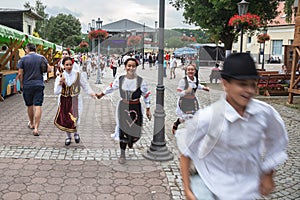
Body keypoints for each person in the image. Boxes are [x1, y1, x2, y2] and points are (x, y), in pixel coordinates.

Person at [176, 53, 288, 200]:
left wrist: (268, 172)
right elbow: (186, 151)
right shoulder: (208, 117)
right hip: (211, 189)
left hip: (247, 191)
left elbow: (278, 141)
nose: (249, 91)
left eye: (253, 84)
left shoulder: (265, 113)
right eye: (242, 84)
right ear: (225, 84)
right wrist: (187, 190)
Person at [96, 58, 152, 164]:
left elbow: (146, 94)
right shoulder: (120, 79)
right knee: (123, 130)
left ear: (136, 67)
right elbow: (111, 87)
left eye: (133, 66)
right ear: (125, 67)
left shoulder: (141, 81)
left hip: (136, 107)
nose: (131, 68)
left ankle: (131, 140)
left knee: (136, 131)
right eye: (129, 66)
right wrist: (101, 94)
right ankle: (122, 154)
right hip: (124, 107)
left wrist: (148, 108)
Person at [54, 56, 96, 146]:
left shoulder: (77, 74)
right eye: (67, 65)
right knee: (66, 119)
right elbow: (56, 92)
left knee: (76, 118)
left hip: (76, 100)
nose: (69, 66)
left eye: (70, 64)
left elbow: (85, 85)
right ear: (63, 66)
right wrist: (60, 84)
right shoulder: (60, 76)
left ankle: (76, 133)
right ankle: (68, 137)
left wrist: (91, 93)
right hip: (64, 101)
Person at [17, 43, 49, 136]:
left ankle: (31, 123)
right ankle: (36, 128)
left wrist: (22, 84)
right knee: (38, 105)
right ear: (35, 49)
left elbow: (20, 74)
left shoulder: (23, 59)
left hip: (27, 85)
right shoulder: (42, 58)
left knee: (29, 105)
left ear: (27, 49)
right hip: (39, 84)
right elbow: (49, 69)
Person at [172, 64, 209, 134]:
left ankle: (192, 132)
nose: (190, 71)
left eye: (192, 70)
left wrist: (205, 88)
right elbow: (179, 92)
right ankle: (176, 123)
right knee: (184, 118)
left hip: (193, 101)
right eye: (188, 70)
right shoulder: (183, 81)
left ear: (195, 71)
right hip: (184, 101)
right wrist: (186, 91)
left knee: (194, 116)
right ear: (186, 71)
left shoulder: (196, 80)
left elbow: (198, 85)